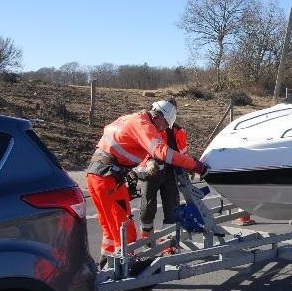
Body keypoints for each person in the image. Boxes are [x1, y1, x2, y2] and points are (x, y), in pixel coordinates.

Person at [86, 99, 207, 266]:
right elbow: (163, 152)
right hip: (108, 178)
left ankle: (107, 267)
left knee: (110, 230)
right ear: (158, 116)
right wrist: (196, 165)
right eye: (164, 124)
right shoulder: (142, 124)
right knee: (125, 231)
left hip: (97, 176)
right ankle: (125, 276)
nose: (163, 129)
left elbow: (123, 145)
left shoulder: (128, 119)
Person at [135, 98, 189, 243]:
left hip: (170, 174)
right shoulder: (149, 126)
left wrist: (188, 166)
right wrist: (149, 162)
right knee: (147, 209)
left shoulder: (178, 131)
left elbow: (183, 152)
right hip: (151, 173)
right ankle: (148, 242)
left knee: (172, 209)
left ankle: (168, 245)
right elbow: (142, 147)